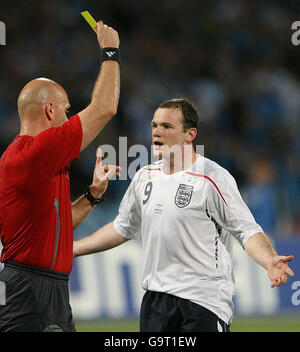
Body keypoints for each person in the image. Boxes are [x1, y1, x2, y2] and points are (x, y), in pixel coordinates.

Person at [73, 98, 295, 332]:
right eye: (154, 125)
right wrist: (74, 249)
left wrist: (269, 259)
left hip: (203, 300)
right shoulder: (144, 177)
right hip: (155, 302)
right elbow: (123, 227)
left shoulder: (212, 178)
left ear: (190, 134)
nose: (157, 132)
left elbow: (247, 230)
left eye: (167, 127)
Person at [0, 21, 120, 332]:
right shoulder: (36, 153)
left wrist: (93, 194)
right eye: (66, 111)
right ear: (50, 110)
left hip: (45, 289)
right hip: (28, 292)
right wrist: (111, 52)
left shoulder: (36, 161)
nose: (69, 117)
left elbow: (58, 222)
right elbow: (105, 107)